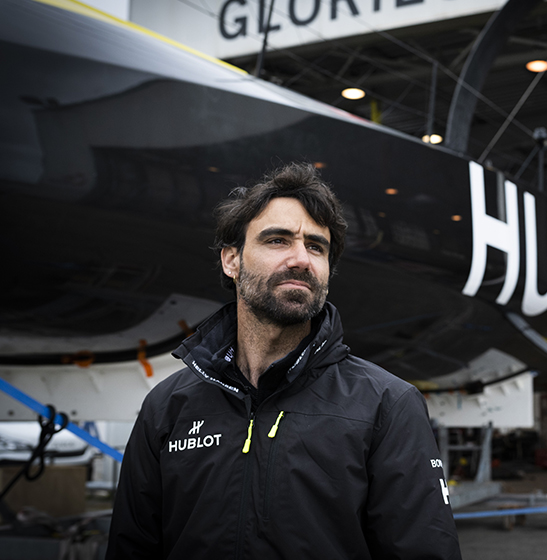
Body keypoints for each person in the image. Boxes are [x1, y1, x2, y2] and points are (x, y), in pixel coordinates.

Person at [107, 163, 462, 559]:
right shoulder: (167, 407)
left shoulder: (387, 405)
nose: (301, 259)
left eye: (316, 246)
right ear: (232, 260)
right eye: (277, 240)